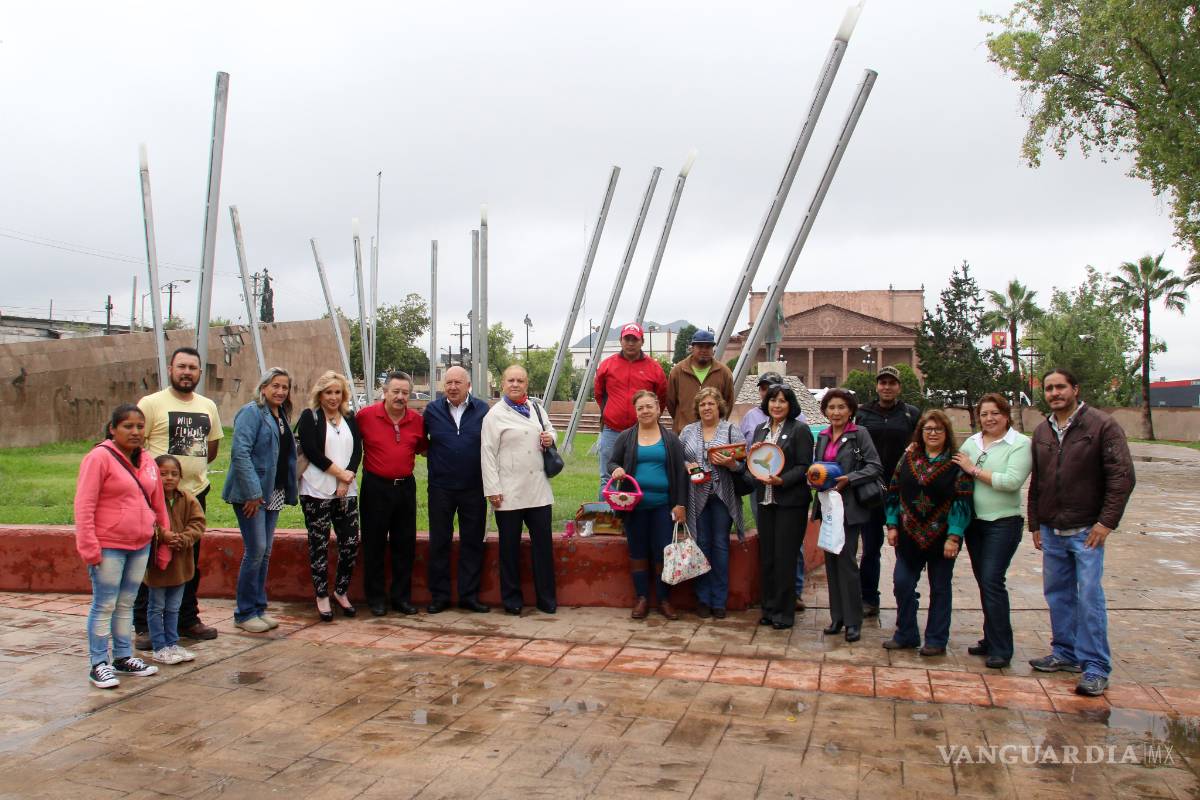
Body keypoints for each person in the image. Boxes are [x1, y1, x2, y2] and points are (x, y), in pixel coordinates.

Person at [1027, 369, 1135, 697]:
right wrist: (1034, 523)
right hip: (1051, 527)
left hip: (1087, 529)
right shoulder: (1043, 430)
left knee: (1089, 598)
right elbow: (1038, 482)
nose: (1055, 393)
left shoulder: (1102, 425)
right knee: (1057, 594)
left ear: (1075, 388)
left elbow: (1122, 477)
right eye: (1049, 388)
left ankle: (1096, 667)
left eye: (1061, 387)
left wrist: (1106, 523)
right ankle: (1065, 653)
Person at [133, 346, 222, 650]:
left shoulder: (207, 405)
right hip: (156, 497)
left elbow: (212, 447)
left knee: (189, 560)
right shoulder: (151, 403)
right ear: (170, 370)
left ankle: (187, 618)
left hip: (194, 495)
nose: (187, 372)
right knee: (151, 559)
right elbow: (136, 445)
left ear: (199, 372)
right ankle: (144, 624)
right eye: (181, 366)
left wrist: (191, 477)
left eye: (193, 368)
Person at [74, 405, 167, 688]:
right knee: (105, 603)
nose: (135, 432)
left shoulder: (148, 461)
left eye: (140, 426)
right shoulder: (99, 458)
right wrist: (89, 546)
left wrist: (163, 543)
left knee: (126, 603)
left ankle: (123, 657)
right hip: (109, 545)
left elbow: (158, 504)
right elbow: (84, 504)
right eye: (128, 426)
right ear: (113, 429)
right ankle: (98, 662)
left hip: (139, 544)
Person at [882, 410, 973, 656]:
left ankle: (936, 639)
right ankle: (906, 633)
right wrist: (891, 525)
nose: (933, 433)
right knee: (902, 583)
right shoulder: (909, 458)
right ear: (920, 433)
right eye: (928, 429)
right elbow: (894, 491)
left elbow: (962, 501)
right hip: (908, 535)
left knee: (940, 588)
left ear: (947, 433)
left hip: (942, 538)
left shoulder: (955, 464)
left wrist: (954, 535)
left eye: (938, 429)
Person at [952, 393, 1033, 669]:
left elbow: (1010, 481)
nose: (989, 419)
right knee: (984, 582)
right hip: (975, 523)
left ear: (1006, 415)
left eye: (995, 413)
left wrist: (973, 470)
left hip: (1003, 522)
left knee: (992, 580)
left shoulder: (1020, 444)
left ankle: (1002, 647)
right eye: (984, 414)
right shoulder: (972, 442)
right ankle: (990, 638)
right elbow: (953, 467)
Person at [222, 367, 298, 633]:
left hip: (273, 491)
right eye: (275, 386)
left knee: (264, 552)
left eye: (284, 387)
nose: (279, 391)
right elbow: (240, 453)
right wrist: (253, 493)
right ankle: (244, 613)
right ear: (263, 387)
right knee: (255, 551)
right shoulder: (251, 413)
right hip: (252, 493)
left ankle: (258, 607)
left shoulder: (281, 416)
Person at [481, 365, 558, 615]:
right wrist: (492, 489)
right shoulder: (495, 415)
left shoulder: (536, 408)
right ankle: (512, 599)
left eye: (520, 380)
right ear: (503, 383)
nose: (515, 384)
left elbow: (551, 429)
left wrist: (551, 438)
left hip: (538, 490)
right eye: (511, 380)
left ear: (527, 383)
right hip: (508, 491)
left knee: (543, 547)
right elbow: (488, 454)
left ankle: (546, 598)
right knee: (509, 549)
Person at [608, 390, 689, 620]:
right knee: (638, 553)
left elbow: (681, 474)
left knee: (663, 554)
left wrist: (680, 504)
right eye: (640, 408)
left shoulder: (671, 439)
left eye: (649, 407)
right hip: (634, 507)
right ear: (635, 411)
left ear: (658, 408)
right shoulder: (626, 437)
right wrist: (616, 469)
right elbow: (612, 461)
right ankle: (642, 598)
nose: (645, 411)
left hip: (664, 507)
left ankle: (664, 599)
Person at [813, 388, 883, 643]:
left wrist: (849, 479)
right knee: (831, 562)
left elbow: (874, 466)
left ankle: (854, 621)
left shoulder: (859, 434)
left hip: (850, 506)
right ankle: (837, 617)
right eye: (831, 408)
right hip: (827, 507)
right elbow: (818, 465)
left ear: (851, 410)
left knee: (847, 563)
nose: (836, 412)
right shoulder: (822, 436)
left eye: (841, 407)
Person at [357, 371, 427, 617]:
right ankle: (375, 598)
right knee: (374, 545)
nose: (400, 397)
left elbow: (423, 449)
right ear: (384, 392)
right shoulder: (365, 417)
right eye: (395, 391)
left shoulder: (417, 421)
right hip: (375, 488)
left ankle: (401, 598)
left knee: (404, 545)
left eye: (405, 393)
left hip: (405, 489)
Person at [744, 384, 814, 630]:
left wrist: (782, 480)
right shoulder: (761, 430)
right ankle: (769, 608)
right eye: (773, 400)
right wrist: (752, 457)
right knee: (769, 558)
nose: (777, 405)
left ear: (790, 404)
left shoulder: (800, 430)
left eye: (782, 401)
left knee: (786, 558)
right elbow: (757, 465)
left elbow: (804, 466)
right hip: (766, 501)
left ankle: (785, 612)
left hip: (790, 503)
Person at [423, 365, 491, 614]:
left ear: (468, 385)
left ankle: (469, 595)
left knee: (472, 542)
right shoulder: (432, 411)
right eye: (448, 383)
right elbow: (421, 442)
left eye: (457, 383)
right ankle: (439, 596)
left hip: (474, 487)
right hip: (441, 488)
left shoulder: (483, 410)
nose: (452, 387)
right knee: (439, 542)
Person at [854, 366, 919, 618]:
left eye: (892, 383)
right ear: (877, 386)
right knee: (870, 548)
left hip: (902, 490)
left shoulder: (909, 413)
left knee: (905, 548)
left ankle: (907, 597)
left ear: (899, 387)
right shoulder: (863, 414)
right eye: (883, 383)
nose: (887, 387)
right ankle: (869, 598)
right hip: (871, 490)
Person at [297, 371, 362, 623]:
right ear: (320, 394)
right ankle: (321, 594)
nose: (333, 398)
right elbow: (313, 451)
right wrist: (338, 476)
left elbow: (357, 449)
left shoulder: (349, 417)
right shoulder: (309, 417)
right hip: (317, 490)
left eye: (337, 392)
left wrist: (348, 476)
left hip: (347, 490)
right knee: (319, 545)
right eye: (328, 393)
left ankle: (341, 590)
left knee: (349, 543)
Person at [679, 387, 746, 618]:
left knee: (720, 546)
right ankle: (703, 598)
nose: (707, 408)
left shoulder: (731, 430)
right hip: (696, 495)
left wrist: (730, 464)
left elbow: (744, 465)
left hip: (722, 496)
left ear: (719, 407)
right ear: (697, 409)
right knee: (701, 544)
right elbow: (679, 459)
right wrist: (686, 466)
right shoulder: (688, 431)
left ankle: (719, 600)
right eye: (702, 404)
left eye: (711, 404)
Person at [144, 454, 206, 664]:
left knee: (173, 607)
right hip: (158, 567)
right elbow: (145, 523)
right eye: (163, 474)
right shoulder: (150, 500)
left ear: (180, 476)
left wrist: (184, 539)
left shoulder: (187, 499)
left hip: (180, 565)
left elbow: (198, 523)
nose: (168, 478)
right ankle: (159, 646)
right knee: (156, 606)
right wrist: (163, 535)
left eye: (174, 474)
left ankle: (172, 643)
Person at [594, 322, 667, 495]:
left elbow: (661, 398)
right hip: (612, 431)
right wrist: (611, 413)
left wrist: (650, 421)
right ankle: (608, 520)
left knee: (639, 476)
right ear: (621, 340)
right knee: (607, 477)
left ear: (642, 341)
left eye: (635, 339)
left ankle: (633, 518)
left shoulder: (654, 368)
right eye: (627, 339)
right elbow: (599, 394)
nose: (631, 343)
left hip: (641, 432)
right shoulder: (607, 365)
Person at [667, 328, 735, 433]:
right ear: (692, 348)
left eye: (708, 347)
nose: (704, 350)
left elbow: (728, 403)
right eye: (700, 346)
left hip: (715, 434)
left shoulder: (724, 372)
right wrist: (681, 422)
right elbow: (670, 402)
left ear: (713, 349)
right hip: (683, 433)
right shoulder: (678, 371)